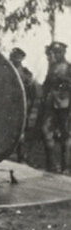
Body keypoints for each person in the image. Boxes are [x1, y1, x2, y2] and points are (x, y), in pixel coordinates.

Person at [41, 41, 71, 173]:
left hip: (65, 104)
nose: (56, 54)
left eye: (59, 52)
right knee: (45, 130)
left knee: (65, 134)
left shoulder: (69, 67)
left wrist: (64, 80)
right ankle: (51, 165)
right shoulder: (52, 67)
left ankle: (66, 167)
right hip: (51, 103)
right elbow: (46, 84)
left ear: (64, 52)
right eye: (55, 52)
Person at [9, 47, 39, 163]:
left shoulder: (26, 73)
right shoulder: (6, 68)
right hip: (9, 105)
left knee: (21, 130)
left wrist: (29, 107)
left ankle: (21, 156)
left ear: (21, 58)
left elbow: (33, 92)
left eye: (17, 57)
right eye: (12, 56)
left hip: (22, 106)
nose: (14, 59)